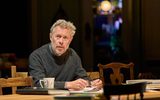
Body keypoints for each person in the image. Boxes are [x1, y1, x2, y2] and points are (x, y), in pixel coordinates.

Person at [29, 19, 102, 90]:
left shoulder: (72, 55)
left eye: (65, 38)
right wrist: (68, 84)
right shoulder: (37, 56)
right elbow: (38, 83)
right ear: (51, 37)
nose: (61, 41)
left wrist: (91, 83)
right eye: (58, 36)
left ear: (70, 40)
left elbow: (82, 77)